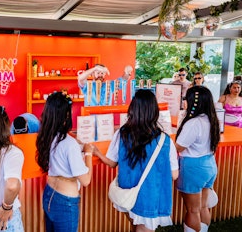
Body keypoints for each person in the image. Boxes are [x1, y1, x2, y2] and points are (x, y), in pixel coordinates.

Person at [93, 89, 178, 232]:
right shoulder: (165, 141)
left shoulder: (122, 134)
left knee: (135, 225)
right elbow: (174, 175)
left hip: (128, 194)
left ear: (132, 109)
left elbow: (112, 162)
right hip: (150, 196)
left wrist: (97, 153)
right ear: (154, 111)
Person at [36, 92, 93, 232]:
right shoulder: (69, 144)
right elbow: (86, 180)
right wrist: (88, 152)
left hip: (49, 194)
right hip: (66, 202)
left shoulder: (46, 137)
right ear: (66, 115)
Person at [175, 86, 221, 232]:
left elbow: (179, 147)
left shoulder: (193, 123)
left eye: (185, 99)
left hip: (193, 168)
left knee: (192, 210)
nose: (184, 102)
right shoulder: (212, 119)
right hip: (209, 165)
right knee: (202, 206)